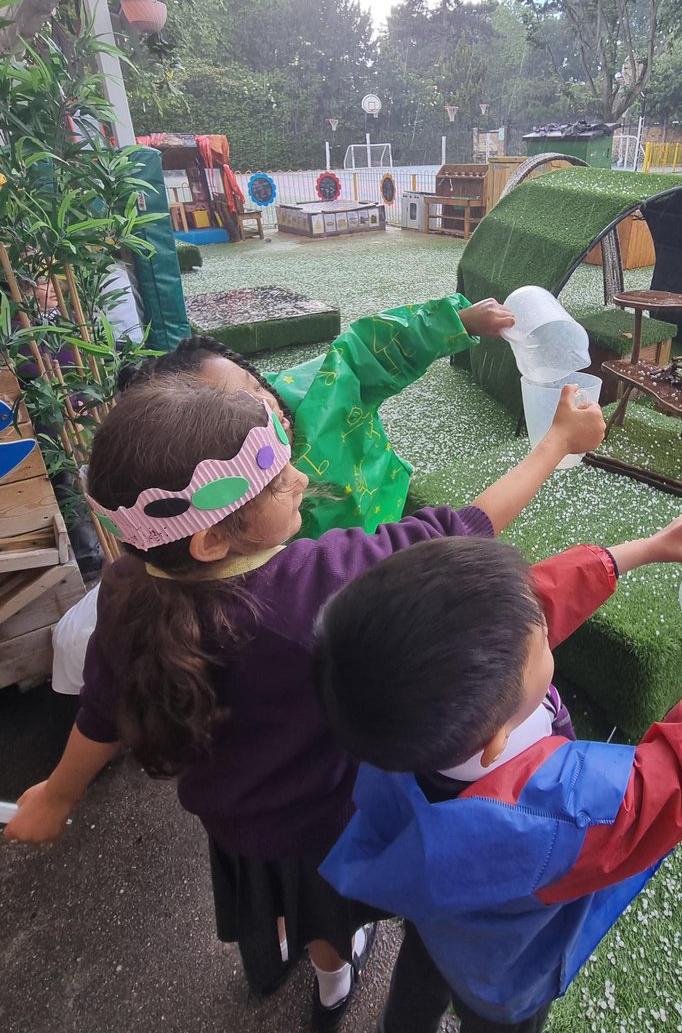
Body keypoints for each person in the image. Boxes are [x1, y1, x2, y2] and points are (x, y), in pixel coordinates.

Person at [4, 374, 605, 1031]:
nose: (297, 477)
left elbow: (99, 713)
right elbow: (468, 528)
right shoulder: (321, 584)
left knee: (313, 922)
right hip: (336, 821)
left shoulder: (123, 590)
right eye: (276, 479)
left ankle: (331, 982)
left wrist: (57, 796)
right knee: (336, 905)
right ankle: (340, 965)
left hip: (241, 830)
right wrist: (554, 444)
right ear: (209, 540)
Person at [314, 505, 682, 1033]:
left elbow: (498, 623)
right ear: (499, 740)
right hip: (508, 974)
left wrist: (642, 549)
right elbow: (679, 775)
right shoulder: (556, 814)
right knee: (493, 1015)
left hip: (437, 918)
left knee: (421, 974)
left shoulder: (387, 714)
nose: (542, 617)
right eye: (540, 637)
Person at [122, 293, 514, 539]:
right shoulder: (224, 485)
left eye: (254, 386)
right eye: (234, 408)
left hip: (384, 499)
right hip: (325, 561)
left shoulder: (313, 391)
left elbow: (366, 353)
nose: (265, 407)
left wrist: (455, 322)